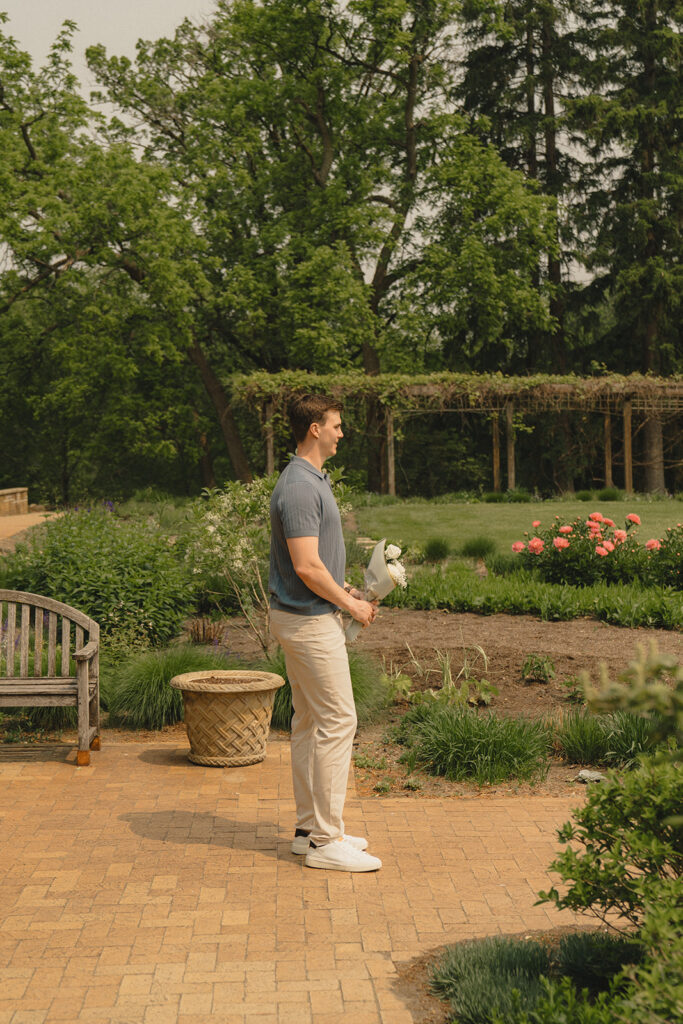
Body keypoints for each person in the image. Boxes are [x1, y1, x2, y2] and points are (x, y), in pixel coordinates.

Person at [269, 393, 382, 872]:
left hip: (308, 613)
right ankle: (325, 840)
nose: (341, 433)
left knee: (310, 722)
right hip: (309, 620)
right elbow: (306, 565)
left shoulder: (313, 479)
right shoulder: (298, 485)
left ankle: (307, 831)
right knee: (338, 720)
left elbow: (317, 565)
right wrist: (351, 603)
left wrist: (343, 587)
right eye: (336, 425)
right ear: (314, 428)